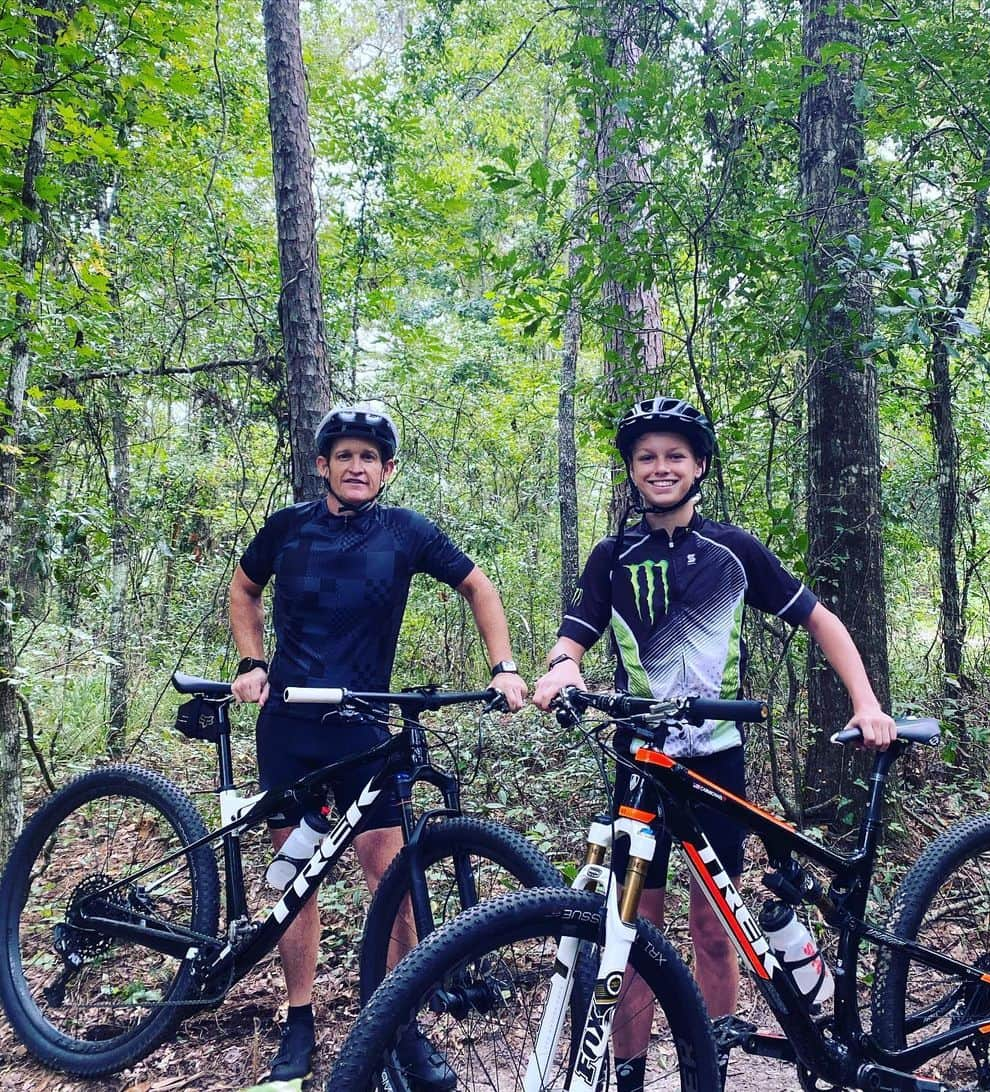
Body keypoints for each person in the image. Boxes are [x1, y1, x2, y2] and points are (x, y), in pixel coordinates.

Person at [532, 395, 895, 1092]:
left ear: (699, 466)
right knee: (631, 937)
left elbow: (821, 620)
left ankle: (711, 1069)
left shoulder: (734, 551)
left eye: (675, 455)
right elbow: (571, 640)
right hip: (640, 765)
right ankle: (631, 1075)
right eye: (647, 458)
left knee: (710, 926)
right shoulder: (613, 556)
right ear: (632, 473)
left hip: (716, 765)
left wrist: (867, 702)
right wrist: (563, 669)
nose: (661, 468)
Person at [230, 403, 527, 1086]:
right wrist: (252, 664)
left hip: (364, 725)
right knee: (295, 878)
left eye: (370, 457)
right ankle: (298, 1020)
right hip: (290, 723)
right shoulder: (287, 528)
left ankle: (398, 1023)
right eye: (345, 455)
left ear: (387, 471)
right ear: (322, 465)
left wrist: (503, 666)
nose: (357, 466)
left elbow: (478, 585)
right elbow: (243, 590)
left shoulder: (406, 532)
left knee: (389, 875)